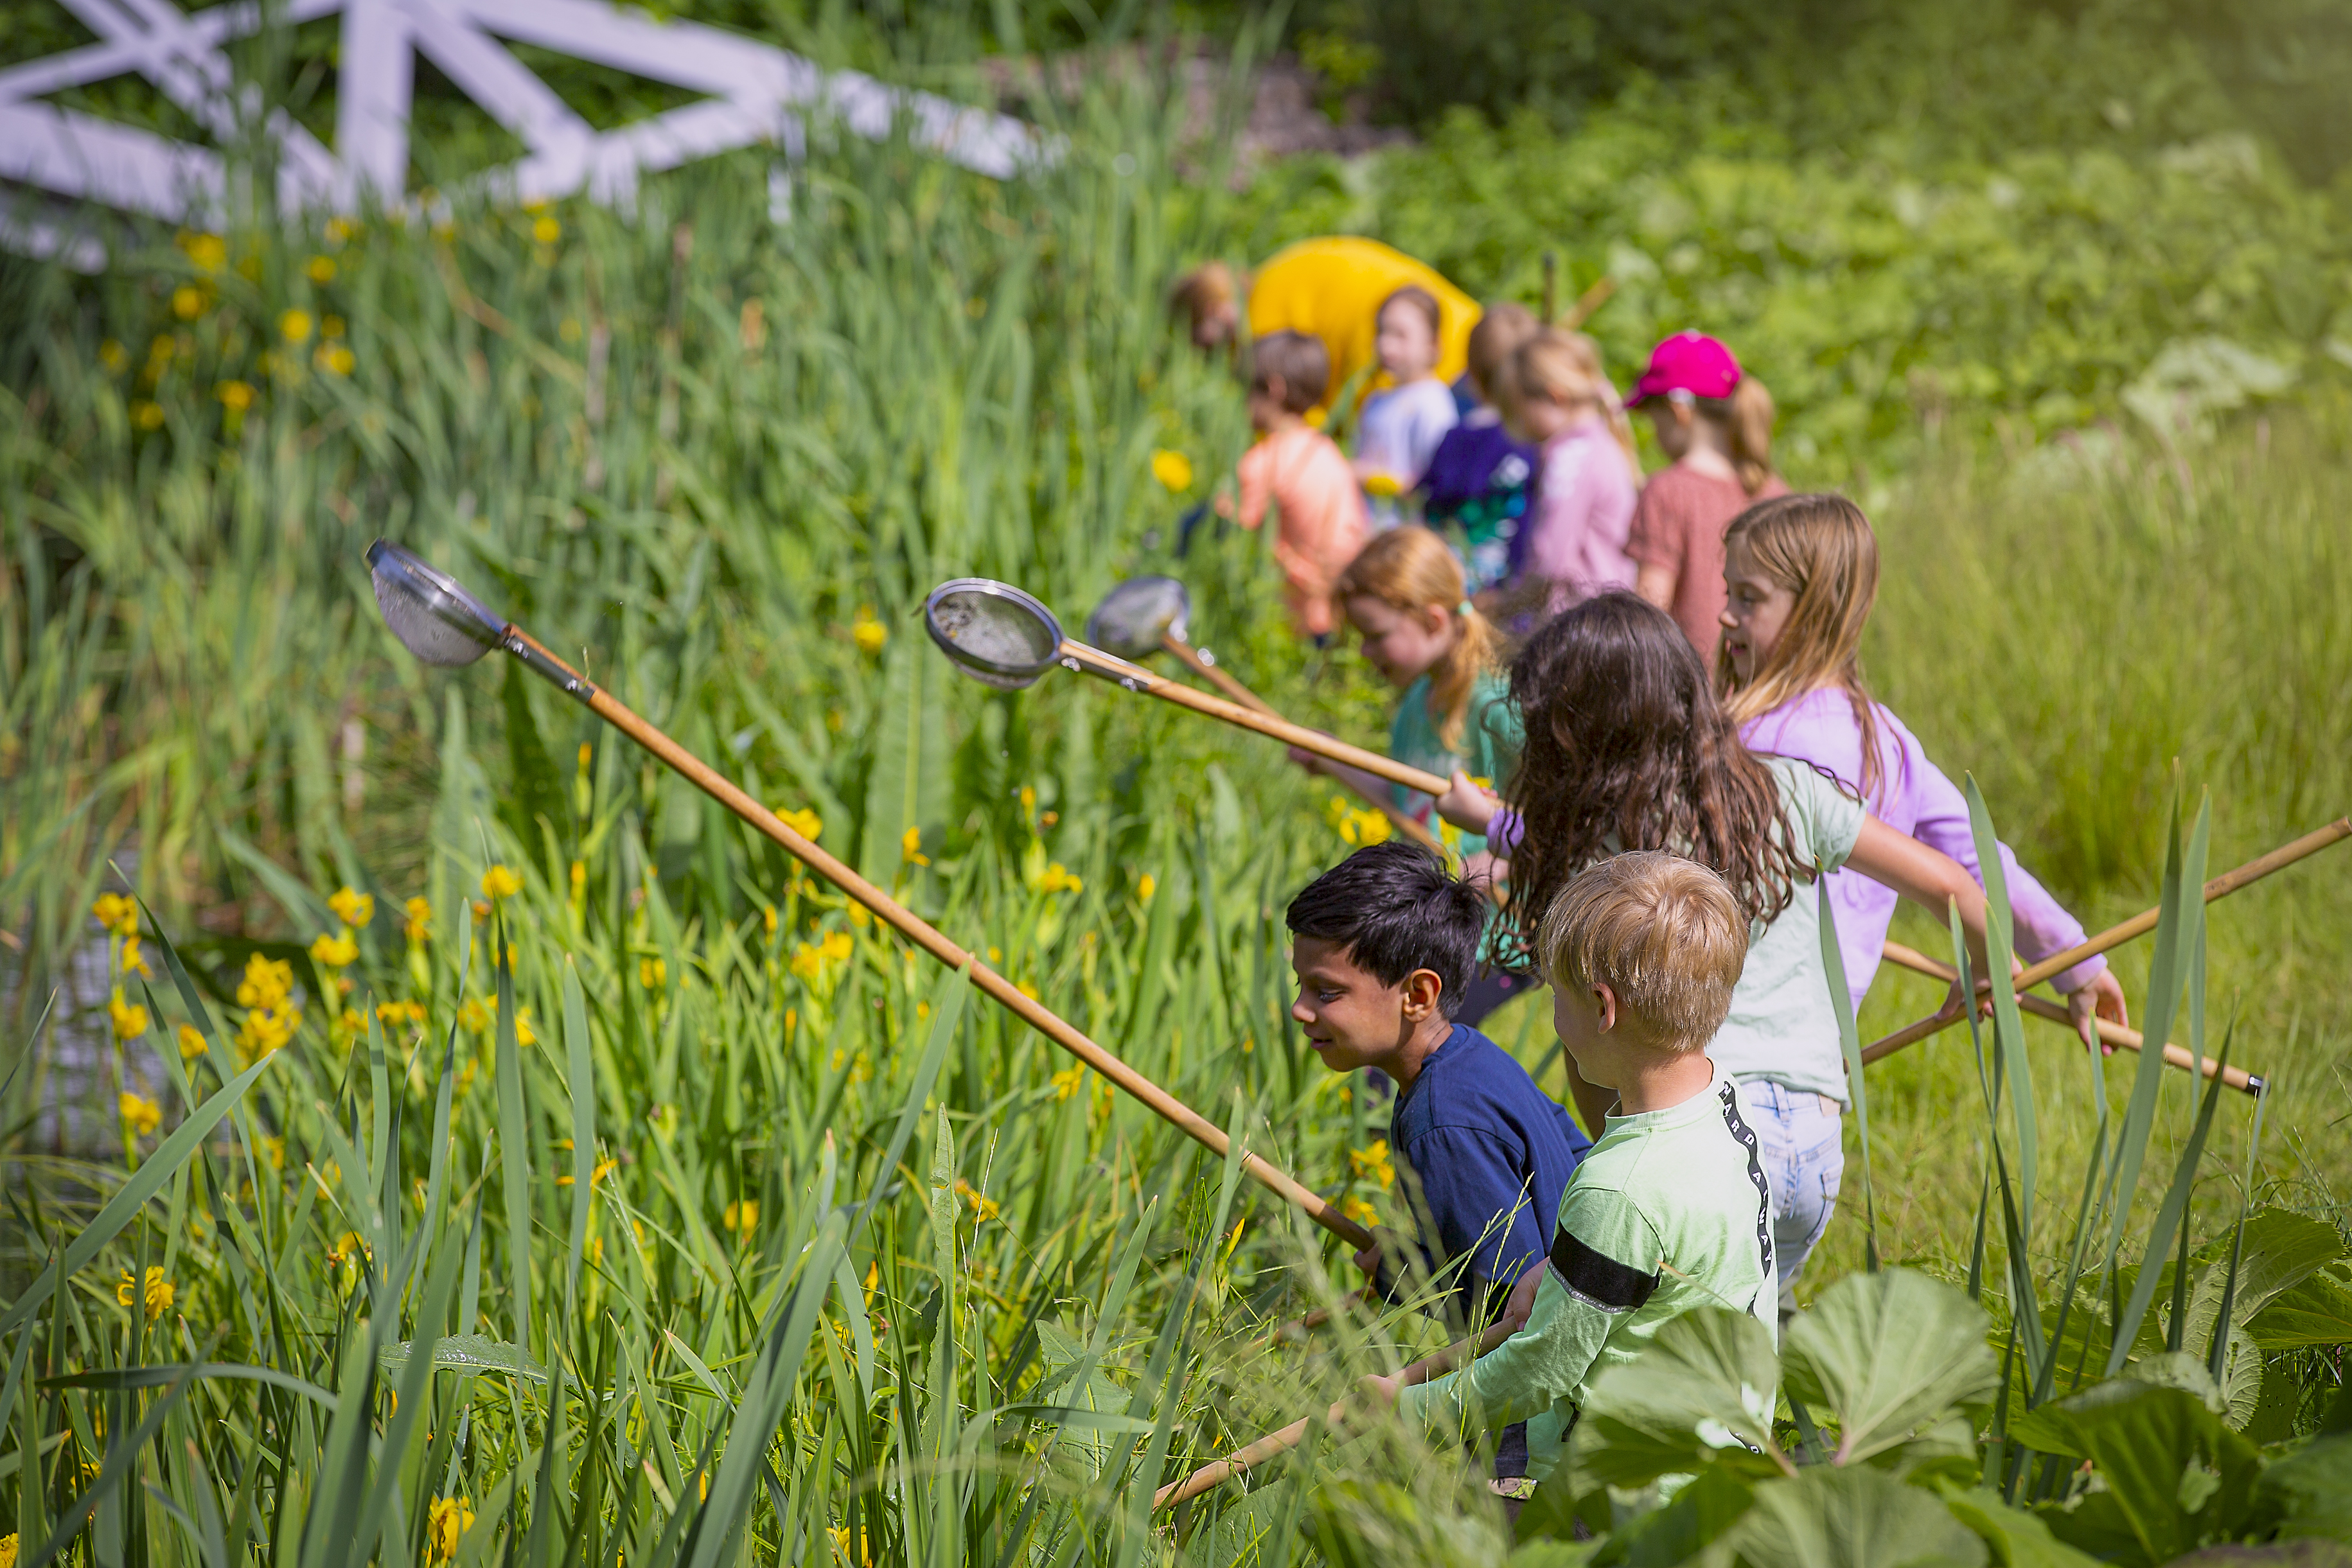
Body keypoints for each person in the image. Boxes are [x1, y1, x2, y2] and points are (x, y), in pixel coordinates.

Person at [1433, 592, 1999, 1308]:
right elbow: (1952, 883)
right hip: (1811, 1147)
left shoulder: (1608, 855)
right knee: (1744, 1327)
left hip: (1701, 1140)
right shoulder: (1784, 789)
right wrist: (1980, 973)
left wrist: (1612, 1152)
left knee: (1655, 1354)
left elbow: (1594, 1056)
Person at [1359, 851, 1774, 1500]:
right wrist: (1552, 1274)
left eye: (1556, 994)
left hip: (1634, 1498)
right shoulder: (1723, 1101)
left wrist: (1404, 1406)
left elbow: (1541, 1369)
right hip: (1724, 1453)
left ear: (1602, 1007)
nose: (1554, 1010)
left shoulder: (1621, 1186)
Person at [1717, 493, 2129, 1039]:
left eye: (1748, 598)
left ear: (1816, 610)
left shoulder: (1751, 741)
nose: (1726, 613)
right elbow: (1980, 860)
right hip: (1814, 1053)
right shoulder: (1886, 741)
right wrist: (2077, 964)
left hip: (1724, 1035)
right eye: (1728, 591)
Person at [1286, 839, 1591, 1496]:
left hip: (1530, 1435)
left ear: (1418, 993)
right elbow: (1573, 1156)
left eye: (1327, 990)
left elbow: (1507, 1309)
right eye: (1300, 985)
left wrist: (1400, 1270)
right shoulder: (1475, 1058)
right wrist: (1402, 1260)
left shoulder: (1440, 1121)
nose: (1300, 1009)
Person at [1293, 527, 1535, 1026]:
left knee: (1411, 1045)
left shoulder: (1494, 706)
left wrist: (1488, 867)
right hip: (1444, 929)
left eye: (1376, 635)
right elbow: (1406, 801)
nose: (1364, 652)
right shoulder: (1414, 707)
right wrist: (1333, 759)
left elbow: (1553, 818)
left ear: (1432, 620)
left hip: (1502, 935)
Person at [1171, 239, 1479, 419]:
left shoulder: (1261, 320)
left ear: (1210, 312)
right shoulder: (1280, 273)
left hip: (1439, 373)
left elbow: (1284, 414)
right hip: (1470, 330)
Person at [1624, 330, 1788, 663]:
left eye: (1655, 419)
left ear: (1678, 410)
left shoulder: (1667, 491)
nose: (1655, 435)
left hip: (1695, 697)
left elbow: (1649, 613)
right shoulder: (1777, 492)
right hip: (1766, 689)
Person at [1226, 331, 1372, 640]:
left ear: (1272, 389)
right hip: (1341, 612)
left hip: (1298, 621)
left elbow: (1222, 529)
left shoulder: (1265, 460)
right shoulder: (1327, 450)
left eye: (1245, 391)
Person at [1504, 329, 1641, 611]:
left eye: (1521, 410)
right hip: (1609, 614)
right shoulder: (1602, 443)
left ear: (1555, 397)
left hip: (1582, 619)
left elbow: (1549, 559)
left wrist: (1506, 606)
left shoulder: (1572, 456)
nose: (1521, 425)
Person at [1420, 303, 1541, 595]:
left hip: (1454, 591)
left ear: (1471, 372)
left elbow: (1429, 509)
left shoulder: (1455, 438)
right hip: (1516, 596)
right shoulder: (1537, 443)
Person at [1354, 286, 1460, 524]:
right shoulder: (1376, 400)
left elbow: (1433, 485)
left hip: (1405, 538)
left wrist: (1369, 478)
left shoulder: (1433, 403)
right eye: (1382, 332)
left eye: (1401, 335)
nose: (1385, 346)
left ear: (1432, 344)